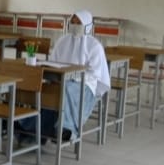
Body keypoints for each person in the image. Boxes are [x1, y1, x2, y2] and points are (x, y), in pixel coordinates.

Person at [19, 10, 110, 143]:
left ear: (87, 26)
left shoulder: (94, 46)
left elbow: (94, 74)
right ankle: (29, 127)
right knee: (45, 89)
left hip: (85, 84)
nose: (75, 25)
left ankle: (66, 128)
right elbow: (52, 61)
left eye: (78, 23)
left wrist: (72, 77)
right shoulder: (63, 40)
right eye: (73, 22)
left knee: (66, 89)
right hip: (60, 79)